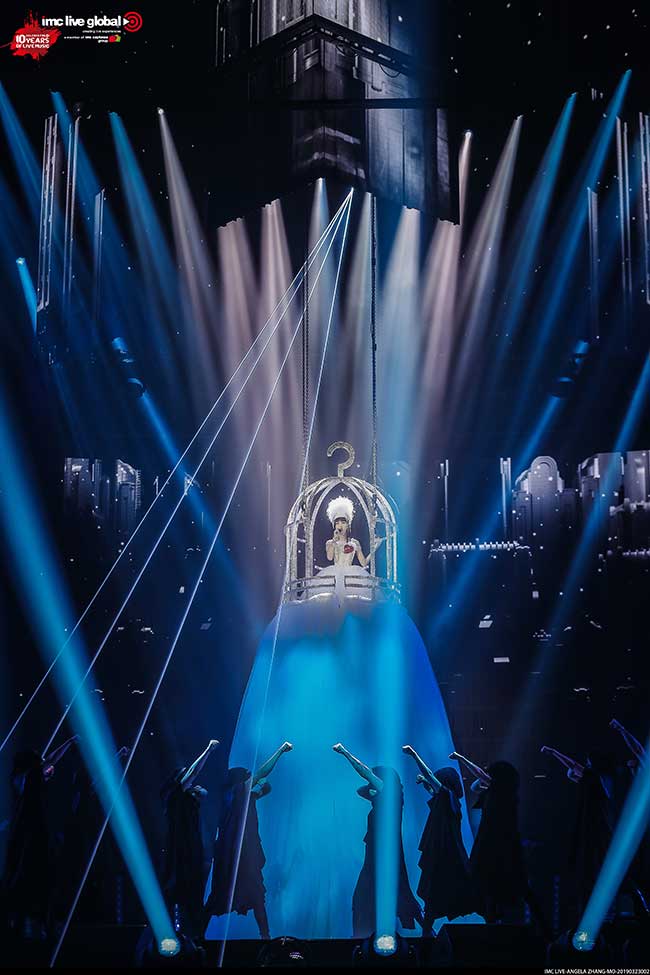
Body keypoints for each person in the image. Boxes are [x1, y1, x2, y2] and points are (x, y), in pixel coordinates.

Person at [333, 743, 422, 938]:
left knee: (382, 894)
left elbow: (365, 774)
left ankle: (425, 929)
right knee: (370, 896)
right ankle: (363, 935)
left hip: (383, 856)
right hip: (374, 856)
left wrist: (345, 753)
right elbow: (361, 790)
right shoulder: (384, 800)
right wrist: (372, 789)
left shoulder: (392, 796)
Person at [205, 742, 293, 940]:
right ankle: (264, 936)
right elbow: (262, 774)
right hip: (239, 855)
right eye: (247, 776)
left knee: (250, 895)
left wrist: (262, 785)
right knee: (237, 894)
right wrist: (280, 751)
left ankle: (265, 937)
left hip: (240, 854)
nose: (250, 778)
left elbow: (265, 788)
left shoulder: (242, 796)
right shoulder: (238, 791)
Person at [2, 736, 78, 938]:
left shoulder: (19, 778)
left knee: (22, 875)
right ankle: (43, 925)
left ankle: (18, 923)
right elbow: (51, 759)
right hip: (34, 833)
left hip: (23, 831)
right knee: (40, 876)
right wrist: (69, 741)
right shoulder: (31, 775)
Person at [402, 745, 475, 933]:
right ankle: (427, 934)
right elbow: (434, 792)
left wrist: (414, 754)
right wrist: (425, 783)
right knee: (434, 899)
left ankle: (427, 937)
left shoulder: (448, 797)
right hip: (442, 856)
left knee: (443, 895)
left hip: (447, 856)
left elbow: (430, 777)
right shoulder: (446, 800)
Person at [452, 753, 528, 924]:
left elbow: (479, 775)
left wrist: (460, 758)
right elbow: (475, 786)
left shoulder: (502, 791)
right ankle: (493, 921)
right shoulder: (498, 791)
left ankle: (497, 922)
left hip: (496, 843)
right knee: (488, 887)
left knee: (495, 884)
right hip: (491, 841)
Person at [160, 739, 219, 938]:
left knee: (193, 893)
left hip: (191, 852)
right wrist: (208, 750)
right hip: (180, 854)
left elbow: (204, 792)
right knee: (179, 892)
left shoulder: (188, 800)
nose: (193, 782)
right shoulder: (176, 795)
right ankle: (176, 932)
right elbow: (193, 772)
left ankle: (193, 933)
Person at [313, 497, 384, 601]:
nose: (340, 525)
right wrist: (334, 541)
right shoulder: (330, 543)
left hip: (351, 575)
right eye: (337, 523)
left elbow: (363, 563)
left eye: (343, 522)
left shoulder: (354, 543)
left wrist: (374, 548)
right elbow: (330, 557)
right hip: (334, 574)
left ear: (348, 525)